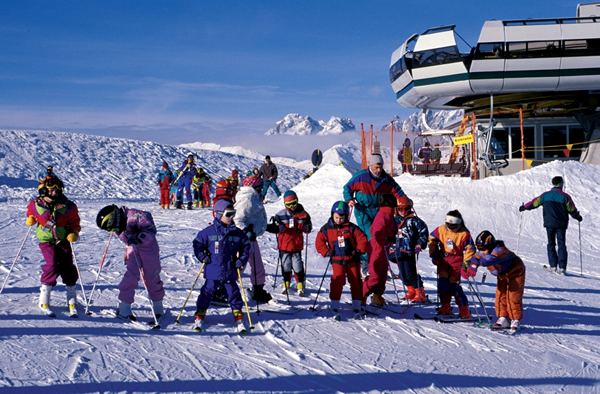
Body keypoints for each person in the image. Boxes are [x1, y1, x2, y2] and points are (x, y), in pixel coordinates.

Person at [96, 205, 165, 321]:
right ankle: (124, 305)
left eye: (112, 228)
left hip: (148, 247)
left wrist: (139, 238)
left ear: (115, 218)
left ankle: (158, 304)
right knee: (131, 275)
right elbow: (123, 237)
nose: (113, 231)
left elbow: (150, 229)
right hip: (132, 248)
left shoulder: (137, 216)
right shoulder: (117, 226)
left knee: (152, 275)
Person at [192, 199, 251, 333]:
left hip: (230, 269)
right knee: (208, 291)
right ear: (219, 214)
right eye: (229, 214)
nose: (232, 217)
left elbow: (246, 245)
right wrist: (202, 256)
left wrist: (241, 259)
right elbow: (197, 244)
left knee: (233, 293)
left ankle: (238, 316)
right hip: (213, 269)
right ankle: (200, 315)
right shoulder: (208, 232)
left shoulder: (237, 233)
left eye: (233, 214)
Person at [343, 153, 406, 276]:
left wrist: (404, 201)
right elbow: (347, 188)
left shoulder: (385, 179)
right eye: (376, 167)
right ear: (370, 165)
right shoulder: (360, 177)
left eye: (381, 167)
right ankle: (365, 265)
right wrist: (349, 199)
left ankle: (383, 264)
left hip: (379, 211)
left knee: (382, 237)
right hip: (363, 211)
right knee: (370, 237)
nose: (379, 170)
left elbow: (397, 191)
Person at [26, 176, 81, 317]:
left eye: (57, 191)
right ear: (43, 190)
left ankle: (72, 300)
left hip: (63, 239)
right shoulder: (36, 204)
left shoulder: (68, 206)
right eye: (51, 191)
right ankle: (44, 298)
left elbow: (74, 221)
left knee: (67, 266)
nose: (54, 193)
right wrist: (31, 218)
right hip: (46, 239)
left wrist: (74, 232)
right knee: (51, 265)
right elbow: (31, 212)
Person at [315, 201, 369, 319]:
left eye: (341, 217)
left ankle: (357, 304)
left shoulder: (351, 228)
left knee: (355, 281)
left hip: (352, 260)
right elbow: (319, 242)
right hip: (337, 260)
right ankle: (334, 304)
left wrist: (359, 250)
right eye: (336, 217)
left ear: (346, 216)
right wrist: (326, 251)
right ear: (332, 215)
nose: (339, 220)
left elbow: (363, 239)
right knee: (337, 281)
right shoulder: (326, 228)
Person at [463, 231, 526, 331]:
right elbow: (477, 256)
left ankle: (515, 319)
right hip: (502, 274)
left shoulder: (500, 251)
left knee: (513, 295)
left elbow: (489, 259)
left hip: (516, 271)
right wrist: (469, 264)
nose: (482, 252)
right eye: (480, 249)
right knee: (500, 295)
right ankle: (503, 318)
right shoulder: (485, 251)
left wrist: (476, 264)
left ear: (491, 246)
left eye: (484, 249)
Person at [520, 176, 582, 275]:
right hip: (561, 224)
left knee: (551, 244)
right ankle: (562, 268)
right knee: (561, 244)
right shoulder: (565, 196)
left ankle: (553, 266)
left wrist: (524, 207)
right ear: (561, 184)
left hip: (549, 223)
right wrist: (578, 217)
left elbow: (534, 203)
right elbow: (572, 210)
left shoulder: (545, 195)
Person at [428, 210, 476, 318]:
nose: (450, 228)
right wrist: (434, 254)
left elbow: (470, 249)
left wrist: (466, 263)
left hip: (456, 261)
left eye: (454, 226)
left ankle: (464, 309)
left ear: (459, 224)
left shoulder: (464, 233)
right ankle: (446, 306)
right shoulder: (440, 230)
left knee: (453, 286)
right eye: (448, 225)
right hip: (443, 260)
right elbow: (431, 239)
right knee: (443, 284)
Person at [234, 175, 273, 303]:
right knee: (240, 264)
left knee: (257, 264)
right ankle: (223, 287)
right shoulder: (248, 198)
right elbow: (237, 218)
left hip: (251, 236)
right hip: (244, 238)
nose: (261, 190)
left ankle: (258, 289)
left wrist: (268, 227)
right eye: (260, 187)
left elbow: (255, 217)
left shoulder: (253, 197)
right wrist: (245, 231)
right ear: (254, 186)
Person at [388, 197, 429, 303]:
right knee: (403, 274)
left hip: (408, 250)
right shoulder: (393, 220)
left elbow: (423, 232)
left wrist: (420, 244)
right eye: (400, 209)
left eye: (405, 209)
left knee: (410, 273)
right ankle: (411, 290)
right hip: (397, 250)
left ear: (410, 208)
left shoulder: (415, 221)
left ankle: (420, 292)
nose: (403, 211)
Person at [273, 190, 312, 296]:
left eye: (294, 203)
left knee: (297, 265)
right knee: (286, 264)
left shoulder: (303, 215)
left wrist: (307, 228)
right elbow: (274, 225)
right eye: (288, 204)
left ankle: (300, 283)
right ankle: (286, 282)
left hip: (296, 245)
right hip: (284, 244)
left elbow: (308, 225)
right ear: (284, 204)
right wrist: (278, 227)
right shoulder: (281, 214)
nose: (292, 206)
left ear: (297, 201)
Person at [362, 194, 398, 306]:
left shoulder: (389, 215)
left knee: (383, 273)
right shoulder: (383, 215)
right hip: (377, 248)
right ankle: (361, 295)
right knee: (375, 274)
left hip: (384, 248)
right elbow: (376, 233)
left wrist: (391, 237)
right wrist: (385, 241)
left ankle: (377, 296)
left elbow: (391, 230)